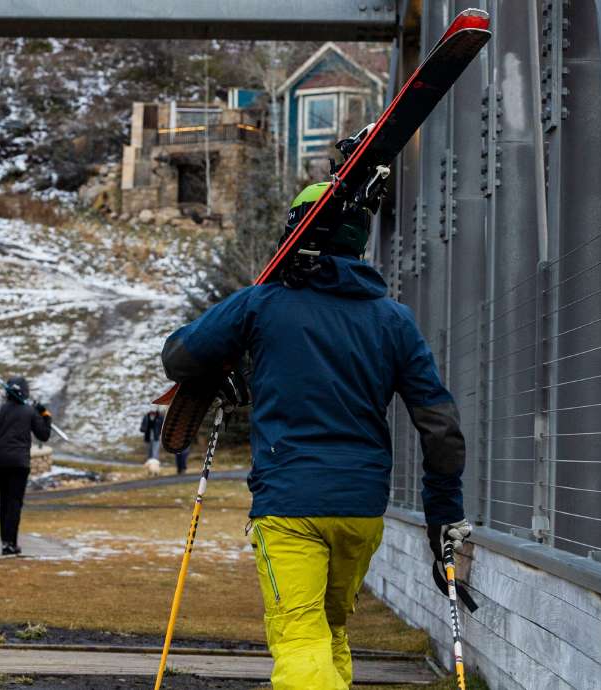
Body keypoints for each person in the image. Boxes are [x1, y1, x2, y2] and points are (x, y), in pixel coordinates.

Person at [160, 178, 470, 690]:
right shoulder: (395, 321)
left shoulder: (260, 306)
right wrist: (443, 515)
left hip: (289, 505)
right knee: (330, 631)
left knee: (301, 638)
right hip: (363, 509)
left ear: (296, 232)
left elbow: (179, 357)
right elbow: (441, 427)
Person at [0, 376, 52, 555]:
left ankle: (5, 542)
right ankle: (11, 543)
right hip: (19, 463)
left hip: (0, 462)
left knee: (4, 501)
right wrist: (45, 416)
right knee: (14, 503)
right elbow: (44, 435)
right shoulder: (29, 412)